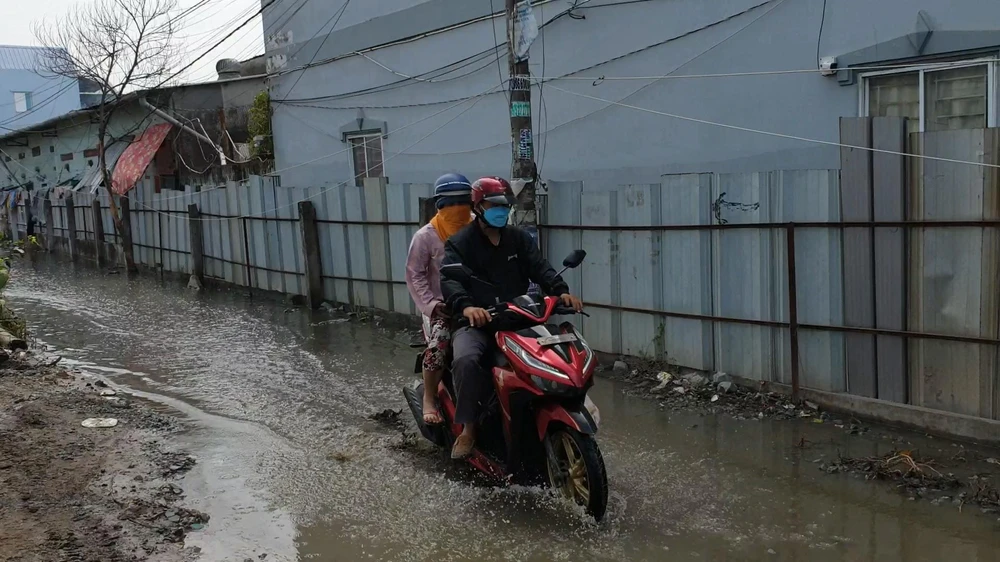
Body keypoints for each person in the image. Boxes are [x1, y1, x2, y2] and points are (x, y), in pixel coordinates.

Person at [440, 176, 583, 459]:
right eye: (495, 205)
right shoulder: (460, 243)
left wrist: (561, 291)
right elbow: (449, 279)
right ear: (478, 206)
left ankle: (564, 407)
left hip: (518, 317)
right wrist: (467, 307)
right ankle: (469, 429)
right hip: (478, 322)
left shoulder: (517, 238)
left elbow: (539, 267)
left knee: (555, 353)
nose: (501, 211)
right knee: (467, 359)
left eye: (505, 206)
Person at [405, 173, 474, 426]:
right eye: (451, 203)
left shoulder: (479, 228)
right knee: (439, 345)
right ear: (439, 205)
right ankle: (430, 398)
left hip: (480, 304)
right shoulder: (425, 237)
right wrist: (433, 306)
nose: (458, 209)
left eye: (463, 202)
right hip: (444, 308)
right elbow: (414, 275)